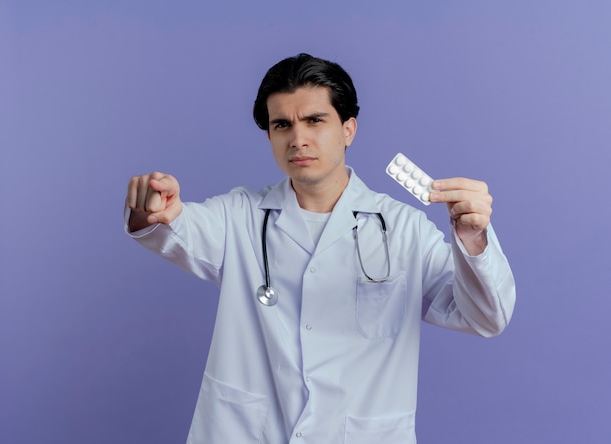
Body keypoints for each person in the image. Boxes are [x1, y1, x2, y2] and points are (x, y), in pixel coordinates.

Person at [124, 53, 515, 444]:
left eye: (315, 120)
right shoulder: (239, 215)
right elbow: (176, 228)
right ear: (270, 137)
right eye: (282, 125)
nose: (298, 139)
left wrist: (472, 238)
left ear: (348, 129)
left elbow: (485, 318)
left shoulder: (403, 229)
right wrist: (153, 209)